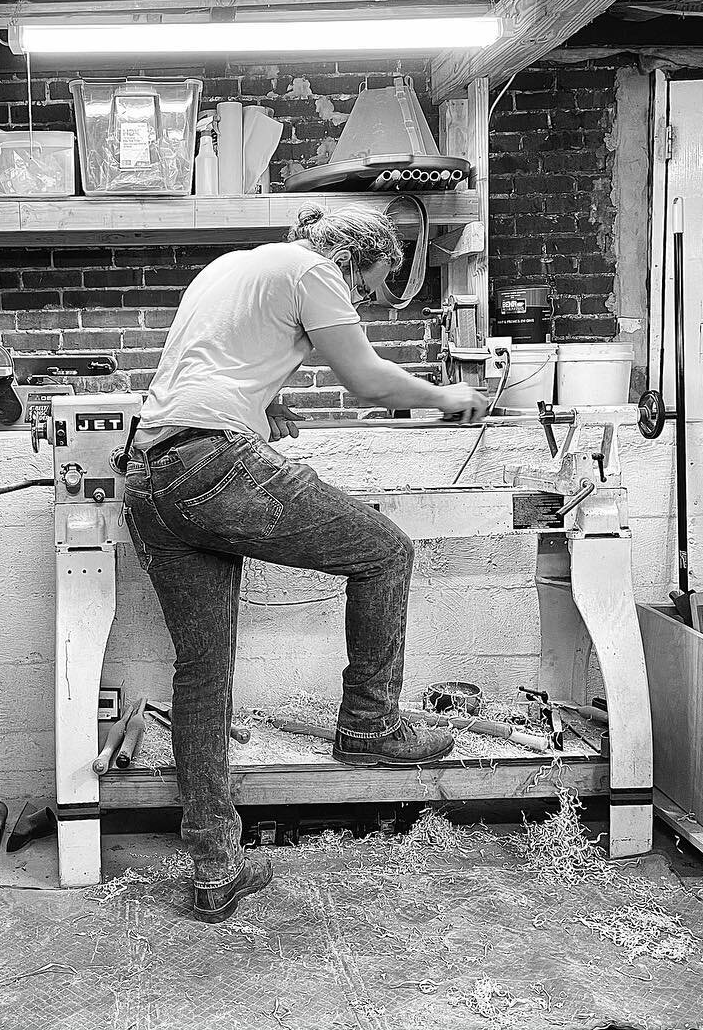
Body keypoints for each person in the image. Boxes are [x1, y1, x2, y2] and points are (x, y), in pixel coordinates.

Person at [122, 204, 489, 923]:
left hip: (150, 474)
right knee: (385, 551)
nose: (358, 301)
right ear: (355, 258)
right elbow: (370, 382)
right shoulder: (316, 269)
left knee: (202, 670)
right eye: (371, 286)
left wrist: (268, 400)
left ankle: (215, 865)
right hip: (212, 463)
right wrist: (452, 396)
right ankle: (372, 727)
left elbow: (216, 359)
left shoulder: (235, 267)